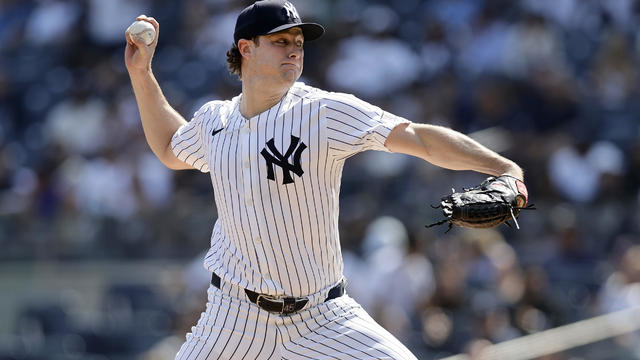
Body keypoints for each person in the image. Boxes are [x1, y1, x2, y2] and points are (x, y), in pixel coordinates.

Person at [124, 1, 524, 359]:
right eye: (281, 40)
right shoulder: (214, 121)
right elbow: (169, 148)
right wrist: (141, 73)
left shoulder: (324, 112)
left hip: (322, 316)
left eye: (299, 40)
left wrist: (504, 169)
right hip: (233, 317)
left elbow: (417, 137)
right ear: (246, 48)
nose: (295, 48)